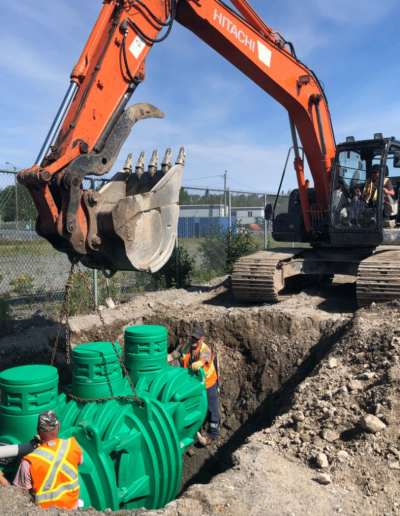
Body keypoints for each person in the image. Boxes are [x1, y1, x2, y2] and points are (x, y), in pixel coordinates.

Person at [13, 410, 83, 510]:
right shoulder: (73, 445)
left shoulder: (28, 462)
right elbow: (80, 461)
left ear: (37, 431)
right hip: (73, 510)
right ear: (58, 426)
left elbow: (18, 495)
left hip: (45, 512)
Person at [168, 327, 219, 446]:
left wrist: (199, 363)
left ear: (202, 339)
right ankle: (195, 431)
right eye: (192, 338)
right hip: (193, 384)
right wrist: (161, 361)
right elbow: (172, 356)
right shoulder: (185, 347)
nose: (194, 340)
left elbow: (203, 358)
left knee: (212, 409)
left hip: (208, 384)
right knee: (194, 407)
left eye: (197, 339)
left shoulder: (205, 350)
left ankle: (212, 435)